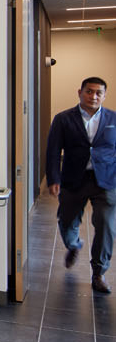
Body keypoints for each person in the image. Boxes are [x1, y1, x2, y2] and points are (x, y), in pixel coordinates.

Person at [46, 76, 116, 295]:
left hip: (106, 180)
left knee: (106, 224)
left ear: (104, 95)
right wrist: (53, 178)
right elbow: (53, 150)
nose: (93, 96)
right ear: (80, 92)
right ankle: (73, 244)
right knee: (66, 221)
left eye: (98, 93)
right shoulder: (63, 119)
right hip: (73, 179)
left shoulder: (113, 118)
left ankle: (99, 273)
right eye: (89, 91)